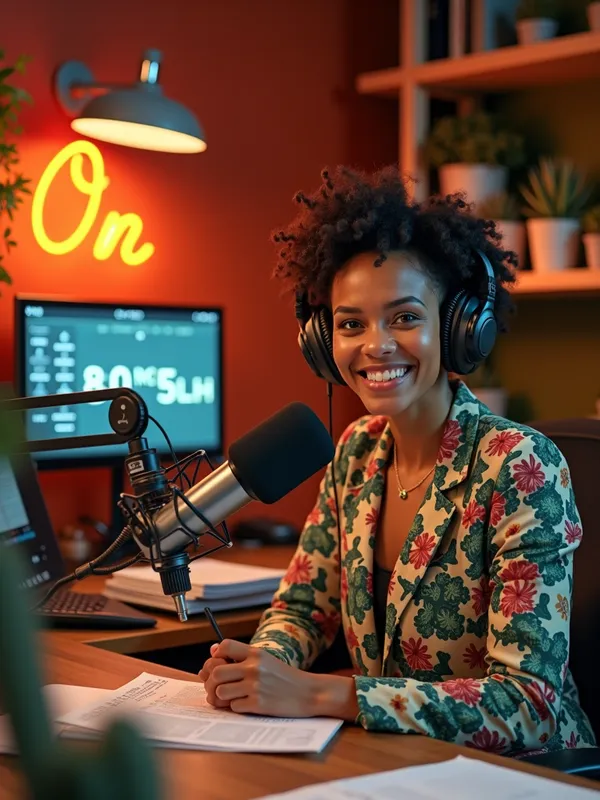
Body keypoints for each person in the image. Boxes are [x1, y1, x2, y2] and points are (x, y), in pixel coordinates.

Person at [199, 165, 595, 756]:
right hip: (392, 758)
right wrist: (262, 665)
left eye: (405, 317)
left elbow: (530, 705)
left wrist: (324, 695)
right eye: (350, 324)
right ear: (321, 342)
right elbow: (305, 607)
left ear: (460, 326)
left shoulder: (520, 466)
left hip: (522, 774)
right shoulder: (355, 453)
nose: (376, 345)